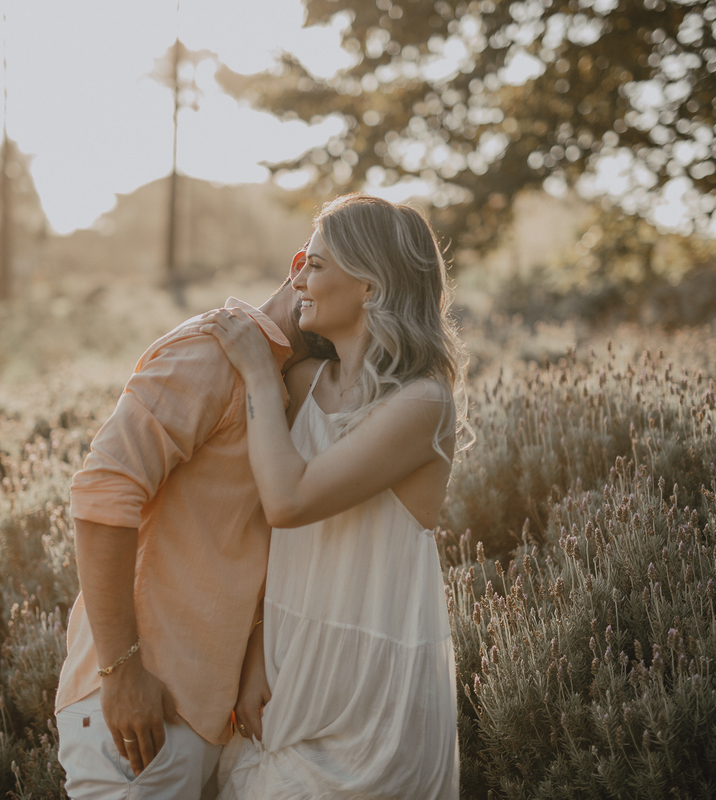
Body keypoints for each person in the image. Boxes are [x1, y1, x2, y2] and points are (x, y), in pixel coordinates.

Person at [201, 193, 465, 799]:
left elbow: (288, 502)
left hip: (371, 703)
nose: (298, 279)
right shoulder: (303, 382)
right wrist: (255, 654)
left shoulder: (421, 403)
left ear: (370, 287)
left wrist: (258, 374)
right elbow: (275, 539)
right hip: (286, 672)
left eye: (315, 265)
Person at [54, 263, 331, 800]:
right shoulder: (212, 354)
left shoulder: (279, 383)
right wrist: (121, 673)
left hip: (195, 716)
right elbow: (103, 492)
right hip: (143, 715)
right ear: (301, 266)